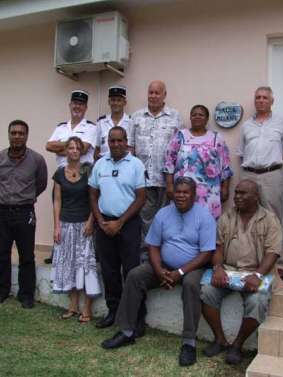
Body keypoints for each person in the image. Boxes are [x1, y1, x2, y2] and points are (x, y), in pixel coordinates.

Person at [101, 177, 216, 367]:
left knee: (191, 285)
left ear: (194, 195)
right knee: (135, 275)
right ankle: (127, 331)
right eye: (178, 191)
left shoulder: (204, 216)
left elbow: (206, 254)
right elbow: (153, 245)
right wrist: (159, 270)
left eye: (185, 192)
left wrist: (179, 272)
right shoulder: (163, 213)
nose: (180, 195)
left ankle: (189, 343)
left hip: (193, 267)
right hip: (164, 266)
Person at [201, 179, 281, 365]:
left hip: (257, 272)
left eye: (243, 193)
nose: (237, 196)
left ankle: (237, 345)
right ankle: (220, 339)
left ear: (256, 197)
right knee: (206, 290)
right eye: (236, 192)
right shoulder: (227, 217)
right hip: (229, 270)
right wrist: (218, 268)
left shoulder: (269, 219)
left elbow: (273, 252)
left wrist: (258, 275)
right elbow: (218, 248)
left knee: (258, 301)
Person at [89, 126, 146, 328]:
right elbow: (93, 195)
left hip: (128, 224)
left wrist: (119, 222)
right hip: (104, 224)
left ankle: (137, 318)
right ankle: (113, 312)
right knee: (109, 271)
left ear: (126, 141)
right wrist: (100, 221)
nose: (115, 144)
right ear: (108, 143)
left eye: (119, 140)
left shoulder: (136, 164)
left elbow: (141, 198)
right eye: (111, 141)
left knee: (131, 272)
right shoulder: (100, 164)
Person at [0, 120, 48, 309]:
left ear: (26, 136)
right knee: (0, 254)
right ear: (8, 135)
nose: (17, 136)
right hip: (1, 211)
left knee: (27, 255)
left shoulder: (37, 160)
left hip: (25, 212)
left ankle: (26, 295)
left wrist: (25, 197)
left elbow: (41, 184)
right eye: (13, 133)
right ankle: (0, 291)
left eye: (21, 133)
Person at [237, 86, 283, 271]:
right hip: (249, 175)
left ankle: (278, 264)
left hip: (271, 175)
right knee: (248, 217)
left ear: (271, 101)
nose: (260, 100)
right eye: (258, 97)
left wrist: (269, 166)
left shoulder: (282, 123)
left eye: (264, 98)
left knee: (273, 219)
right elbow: (241, 153)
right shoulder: (246, 125)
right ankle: (252, 261)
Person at [44, 89, 97, 264]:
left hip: (85, 171)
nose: (77, 107)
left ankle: (86, 251)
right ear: (70, 105)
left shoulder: (91, 127)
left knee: (85, 209)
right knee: (59, 209)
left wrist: (63, 145)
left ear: (86, 107)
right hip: (62, 173)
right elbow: (48, 146)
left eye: (81, 104)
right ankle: (57, 250)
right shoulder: (60, 127)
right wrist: (71, 145)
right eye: (75, 103)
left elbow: (85, 148)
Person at [52, 137, 100, 322]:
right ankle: (72, 305)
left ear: (81, 151)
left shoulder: (88, 170)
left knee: (86, 265)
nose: (73, 151)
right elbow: (57, 200)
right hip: (65, 224)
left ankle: (86, 308)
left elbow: (94, 198)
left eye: (77, 148)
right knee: (69, 265)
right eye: (70, 148)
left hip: (84, 225)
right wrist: (57, 226)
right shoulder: (59, 173)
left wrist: (91, 221)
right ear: (65, 151)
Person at [129, 80, 183, 241]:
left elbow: (179, 149)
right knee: (145, 219)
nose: (153, 96)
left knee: (166, 218)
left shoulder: (175, 117)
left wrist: (173, 180)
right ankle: (146, 257)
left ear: (164, 95)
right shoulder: (137, 116)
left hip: (166, 180)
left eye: (157, 93)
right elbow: (130, 147)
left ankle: (163, 253)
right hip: (143, 179)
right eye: (150, 92)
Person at [163, 104, 233, 219]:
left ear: (206, 119)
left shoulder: (216, 138)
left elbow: (225, 165)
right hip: (183, 192)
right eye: (194, 115)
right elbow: (169, 162)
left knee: (207, 222)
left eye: (201, 115)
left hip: (209, 192)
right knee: (183, 221)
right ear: (190, 118)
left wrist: (225, 188)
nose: (197, 117)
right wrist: (170, 185)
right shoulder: (180, 136)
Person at [95, 85, 132, 160]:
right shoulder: (101, 123)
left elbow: (132, 148)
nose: (115, 103)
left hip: (125, 164)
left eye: (119, 100)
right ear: (109, 102)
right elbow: (97, 148)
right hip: (105, 164)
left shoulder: (131, 122)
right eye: (113, 100)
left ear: (124, 102)